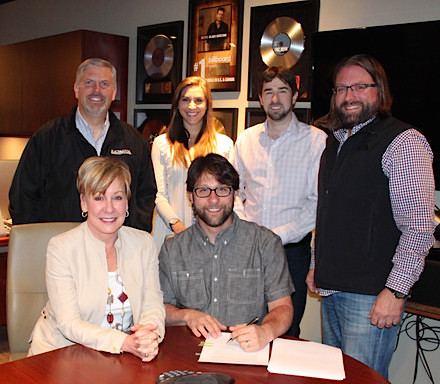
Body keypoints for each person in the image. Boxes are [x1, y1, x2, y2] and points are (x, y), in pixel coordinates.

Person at [306, 54, 435, 379]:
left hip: (371, 296)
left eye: (359, 87)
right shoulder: (334, 144)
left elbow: (419, 228)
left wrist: (395, 292)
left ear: (379, 91)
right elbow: (328, 214)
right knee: (337, 377)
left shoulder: (404, 143)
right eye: (341, 89)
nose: (348, 96)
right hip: (332, 290)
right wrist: (315, 264)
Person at [29, 156, 165, 361]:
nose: (109, 208)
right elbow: (69, 324)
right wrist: (124, 342)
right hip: (62, 354)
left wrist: (148, 334)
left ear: (127, 201)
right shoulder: (61, 248)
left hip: (121, 357)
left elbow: (152, 304)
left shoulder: (144, 243)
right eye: (99, 198)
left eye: (117, 197)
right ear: (84, 202)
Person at [159, 153, 294, 352]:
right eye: (203, 190)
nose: (213, 200)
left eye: (222, 189)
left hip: (247, 352)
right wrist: (186, 315)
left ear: (235, 193)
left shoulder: (265, 243)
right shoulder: (172, 249)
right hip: (189, 354)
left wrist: (265, 331)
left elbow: (282, 307)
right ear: (191, 196)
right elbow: (159, 308)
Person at [231, 66, 327, 337]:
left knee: (286, 330)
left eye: (282, 91)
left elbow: (316, 204)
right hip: (248, 251)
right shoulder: (246, 139)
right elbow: (234, 192)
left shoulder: (316, 141)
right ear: (260, 99)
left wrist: (274, 236)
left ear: (295, 96)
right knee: (243, 324)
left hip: (291, 253)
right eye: (268, 92)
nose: (275, 99)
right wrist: (250, 231)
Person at [9, 58, 156, 232]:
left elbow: (146, 195)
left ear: (114, 92)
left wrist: (132, 236)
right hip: (63, 250)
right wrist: (40, 242)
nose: (97, 90)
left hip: (117, 249)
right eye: (88, 83)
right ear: (76, 89)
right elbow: (23, 197)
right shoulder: (47, 138)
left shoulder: (133, 141)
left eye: (104, 84)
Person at [151, 76, 233, 249]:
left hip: (209, 235)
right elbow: (159, 194)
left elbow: (228, 194)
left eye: (198, 100)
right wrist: (178, 226)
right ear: (177, 104)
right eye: (185, 100)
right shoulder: (161, 144)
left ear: (207, 105)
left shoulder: (224, 145)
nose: (192, 106)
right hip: (169, 232)